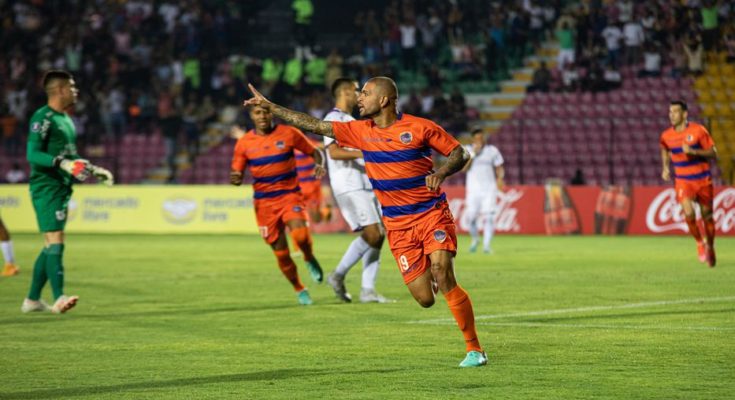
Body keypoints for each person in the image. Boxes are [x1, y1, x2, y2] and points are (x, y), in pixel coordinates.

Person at [244, 77, 487, 367]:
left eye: (367, 94)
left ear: (384, 100)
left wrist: (443, 172)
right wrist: (272, 107)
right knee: (425, 299)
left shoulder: (420, 127)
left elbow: (460, 152)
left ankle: (475, 349)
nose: (360, 98)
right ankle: (432, 275)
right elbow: (313, 125)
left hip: (430, 212)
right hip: (398, 226)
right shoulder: (360, 131)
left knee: (442, 271)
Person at [23, 70, 114, 314]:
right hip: (47, 186)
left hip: (62, 186)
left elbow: (71, 157)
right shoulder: (42, 117)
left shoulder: (65, 119)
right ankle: (59, 297)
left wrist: (94, 169)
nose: (76, 91)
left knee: (49, 244)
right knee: (56, 240)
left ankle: (32, 300)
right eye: (72, 87)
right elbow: (32, 154)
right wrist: (61, 163)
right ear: (60, 90)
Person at [230, 104, 326, 305]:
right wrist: (236, 177)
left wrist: (320, 164)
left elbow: (315, 151)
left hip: (290, 195)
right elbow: (237, 171)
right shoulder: (244, 143)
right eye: (258, 113)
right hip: (264, 204)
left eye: (266, 111)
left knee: (300, 234)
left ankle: (308, 256)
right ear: (252, 116)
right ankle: (299, 288)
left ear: (271, 114)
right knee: (281, 253)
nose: (262, 116)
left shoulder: (289, 133)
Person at [323, 78, 389, 304]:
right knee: (373, 233)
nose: (360, 94)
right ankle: (338, 275)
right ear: (344, 92)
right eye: (356, 90)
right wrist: (365, 152)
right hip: (348, 184)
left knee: (379, 234)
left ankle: (367, 289)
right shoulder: (332, 119)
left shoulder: (351, 120)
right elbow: (334, 153)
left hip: (364, 183)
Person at [660, 100, 717, 267]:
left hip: (703, 180)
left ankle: (711, 247)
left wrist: (694, 151)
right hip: (683, 181)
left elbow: (713, 153)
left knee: (707, 216)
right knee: (689, 212)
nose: (671, 115)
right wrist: (665, 167)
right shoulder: (666, 135)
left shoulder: (698, 131)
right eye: (670, 112)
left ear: (684, 114)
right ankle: (700, 242)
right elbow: (664, 148)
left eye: (675, 112)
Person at [462, 129, 505, 254]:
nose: (480, 140)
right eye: (477, 138)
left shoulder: (492, 151)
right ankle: (475, 239)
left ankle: (486, 245)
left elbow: (499, 167)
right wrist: (473, 155)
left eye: (482, 138)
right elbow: (464, 169)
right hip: (473, 190)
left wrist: (500, 178)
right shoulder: (467, 150)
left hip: (489, 189)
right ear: (472, 139)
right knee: (471, 218)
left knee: (489, 217)